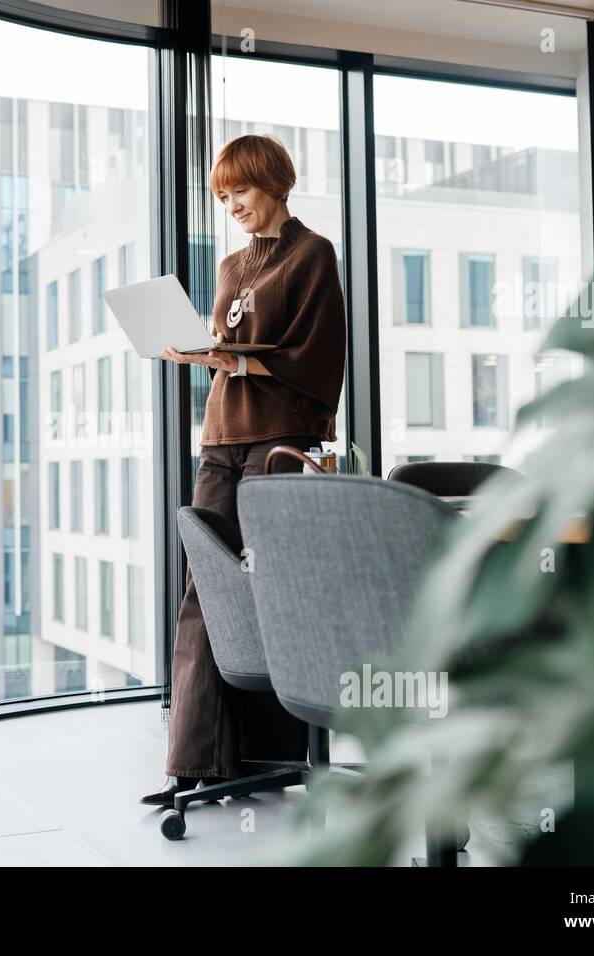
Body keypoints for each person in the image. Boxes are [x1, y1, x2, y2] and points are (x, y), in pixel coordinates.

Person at [141, 133, 347, 806]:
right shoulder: (231, 267)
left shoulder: (313, 255)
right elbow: (231, 351)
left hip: (285, 434)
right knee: (208, 588)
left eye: (242, 192)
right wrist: (203, 355)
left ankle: (272, 753)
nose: (233, 205)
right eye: (224, 196)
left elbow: (317, 359)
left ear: (275, 184)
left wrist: (240, 360)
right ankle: (194, 761)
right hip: (223, 437)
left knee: (276, 588)